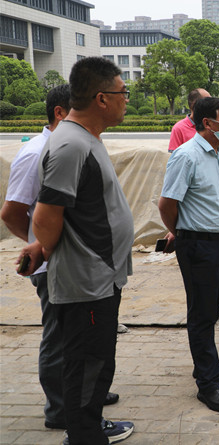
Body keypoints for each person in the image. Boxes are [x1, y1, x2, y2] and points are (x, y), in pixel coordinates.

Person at [1, 86, 122, 434]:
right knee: (60, 337)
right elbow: (11, 212)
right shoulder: (37, 152)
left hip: (77, 263)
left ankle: (81, 395)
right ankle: (61, 410)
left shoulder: (75, 146)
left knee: (79, 337)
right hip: (54, 263)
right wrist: (42, 247)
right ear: (59, 113)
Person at [32, 57, 135, 444]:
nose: (127, 99)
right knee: (86, 369)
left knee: (97, 364)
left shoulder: (86, 138)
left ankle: (88, 429)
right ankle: (84, 436)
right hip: (86, 282)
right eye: (123, 92)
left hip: (100, 278)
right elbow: (46, 217)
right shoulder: (71, 145)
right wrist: (45, 247)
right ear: (102, 98)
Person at [158, 97, 219, 413]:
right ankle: (207, 384)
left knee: (212, 308)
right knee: (201, 313)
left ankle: (210, 363)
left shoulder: (217, 153)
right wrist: (180, 232)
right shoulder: (187, 156)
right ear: (208, 123)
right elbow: (167, 203)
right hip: (198, 245)